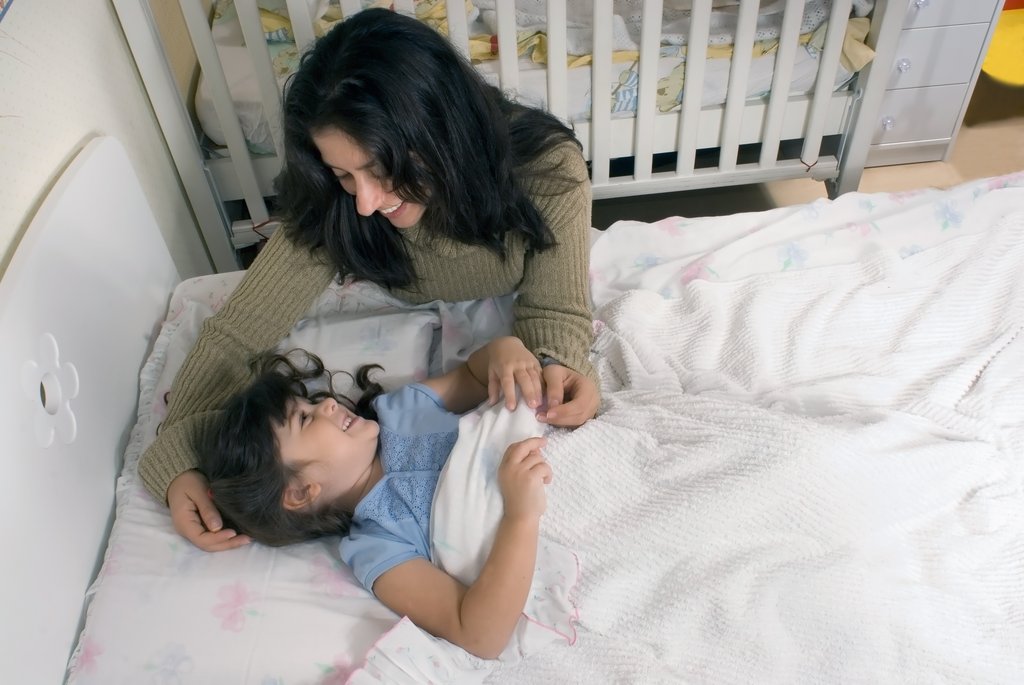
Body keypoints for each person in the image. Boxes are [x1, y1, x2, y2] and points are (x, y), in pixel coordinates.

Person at [139, 7, 599, 553]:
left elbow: (554, 310)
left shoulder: (546, 171)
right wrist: (177, 459)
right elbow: (238, 333)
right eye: (343, 175)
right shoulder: (335, 206)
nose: (365, 201)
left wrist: (558, 364)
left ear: (442, 131)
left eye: (381, 172)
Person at [200, 338, 552, 660]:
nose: (326, 404)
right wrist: (520, 515)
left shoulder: (399, 410)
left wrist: (505, 350)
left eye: (311, 402)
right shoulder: (376, 547)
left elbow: (476, 376)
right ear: (300, 492)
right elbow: (478, 634)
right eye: (304, 419)